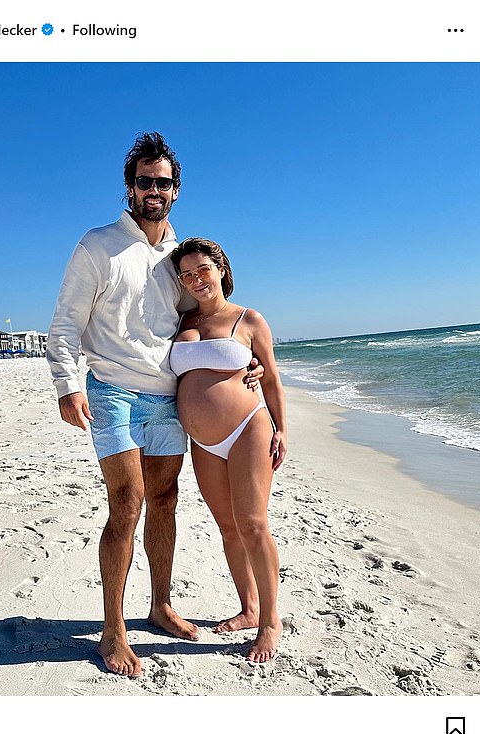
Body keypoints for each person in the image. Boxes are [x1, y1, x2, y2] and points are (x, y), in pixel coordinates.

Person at [47, 132, 262, 677]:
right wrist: (68, 386)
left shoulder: (180, 259)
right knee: (128, 499)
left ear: (176, 190)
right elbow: (66, 324)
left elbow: (207, 320)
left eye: (163, 183)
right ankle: (112, 630)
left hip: (167, 397)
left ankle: (160, 605)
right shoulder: (96, 246)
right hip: (111, 390)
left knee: (164, 499)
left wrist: (248, 361)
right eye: (144, 181)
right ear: (129, 186)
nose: (153, 190)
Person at [169, 238, 287, 662]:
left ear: (221, 269)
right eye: (186, 273)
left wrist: (282, 430)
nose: (195, 278)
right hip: (202, 441)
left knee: (253, 523)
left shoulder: (248, 320)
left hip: (247, 428)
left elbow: (270, 377)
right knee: (227, 526)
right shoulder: (179, 321)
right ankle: (250, 608)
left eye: (202, 268)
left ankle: (271, 622)